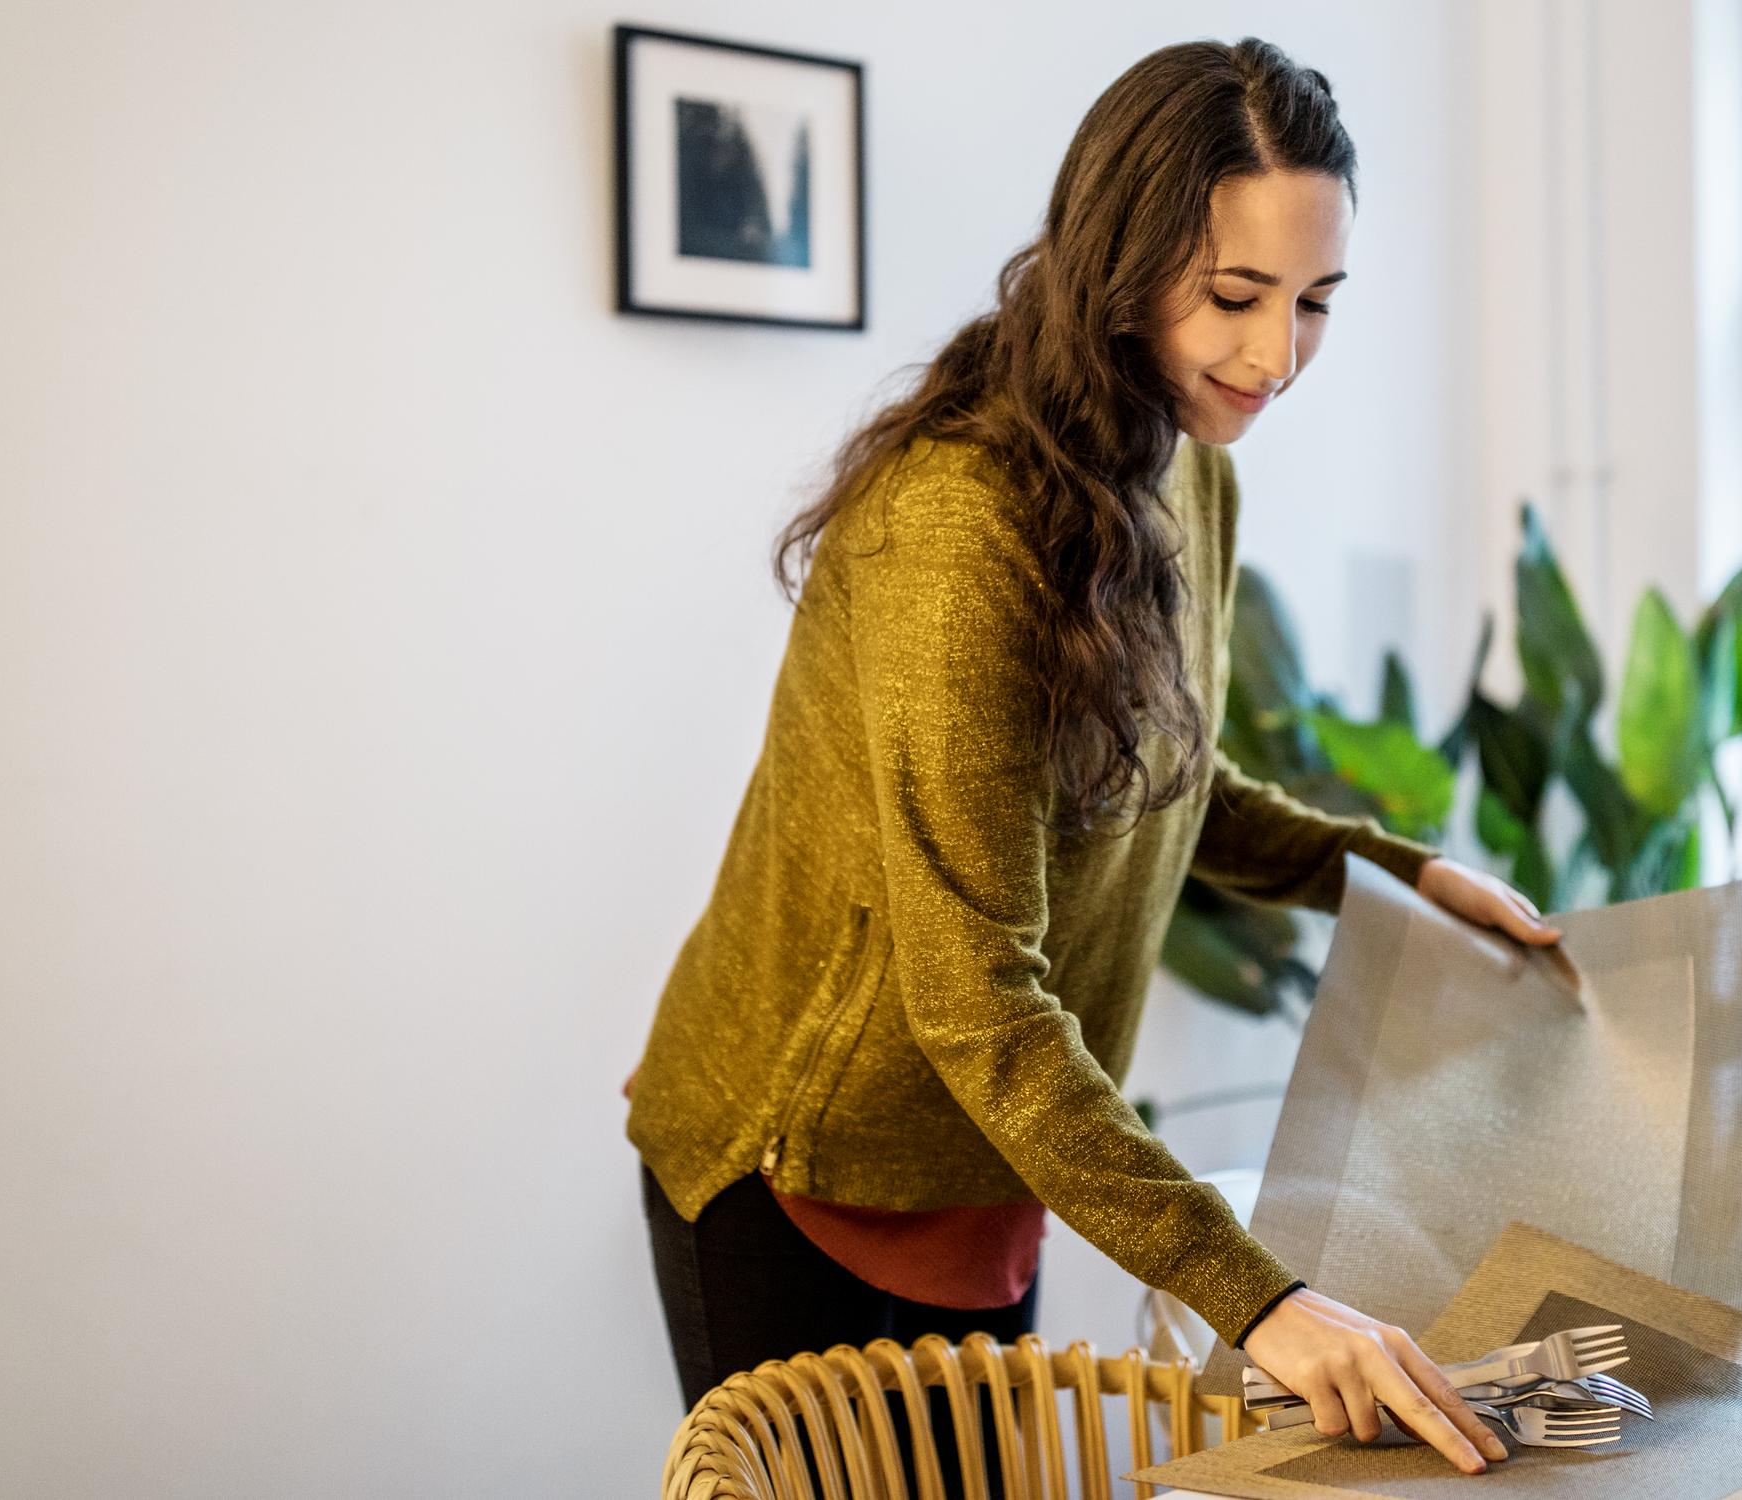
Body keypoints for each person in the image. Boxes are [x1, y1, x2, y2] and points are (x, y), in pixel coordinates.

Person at [626, 37, 1564, 1475]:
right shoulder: (957, 527)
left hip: (978, 1166)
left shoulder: (1186, 464)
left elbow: (1165, 785)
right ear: (1117, 265)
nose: (1276, 355)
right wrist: (1262, 1301)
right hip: (801, 1162)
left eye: (1315, 303)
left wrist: (1394, 875)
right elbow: (975, 998)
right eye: (1235, 296)